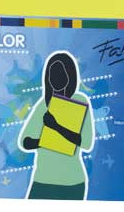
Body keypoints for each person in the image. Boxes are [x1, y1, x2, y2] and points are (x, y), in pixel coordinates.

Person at [18, 51, 94, 200]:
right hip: (42, 180)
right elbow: (24, 142)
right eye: (52, 73)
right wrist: (46, 142)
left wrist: (56, 127)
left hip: (72, 181)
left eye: (60, 72)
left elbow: (86, 143)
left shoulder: (80, 101)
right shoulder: (44, 104)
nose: (56, 77)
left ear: (70, 75)